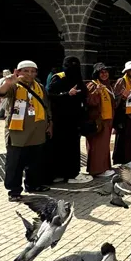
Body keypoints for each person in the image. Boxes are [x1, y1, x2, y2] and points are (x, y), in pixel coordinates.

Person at [0, 60, 52, 201]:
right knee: (15, 163)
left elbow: (46, 105)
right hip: (18, 132)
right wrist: (8, 82)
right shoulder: (13, 85)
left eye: (33, 71)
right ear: (18, 71)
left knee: (35, 161)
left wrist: (50, 122)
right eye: (26, 71)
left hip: (38, 130)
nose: (30, 74)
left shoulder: (39, 86)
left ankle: (33, 185)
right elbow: (2, 92)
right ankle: (14, 191)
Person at [48, 56, 92, 184]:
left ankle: (72, 173)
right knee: (60, 147)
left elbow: (83, 95)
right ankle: (65, 174)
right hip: (61, 120)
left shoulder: (78, 79)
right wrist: (67, 94)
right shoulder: (58, 78)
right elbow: (50, 96)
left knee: (72, 148)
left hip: (75, 120)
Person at [85, 62, 116, 178]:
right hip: (98, 121)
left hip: (107, 120)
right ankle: (97, 170)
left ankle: (105, 167)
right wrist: (96, 92)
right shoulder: (93, 85)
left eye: (106, 72)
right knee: (97, 146)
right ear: (97, 74)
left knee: (104, 146)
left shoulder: (107, 85)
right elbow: (89, 102)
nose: (104, 74)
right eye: (101, 72)